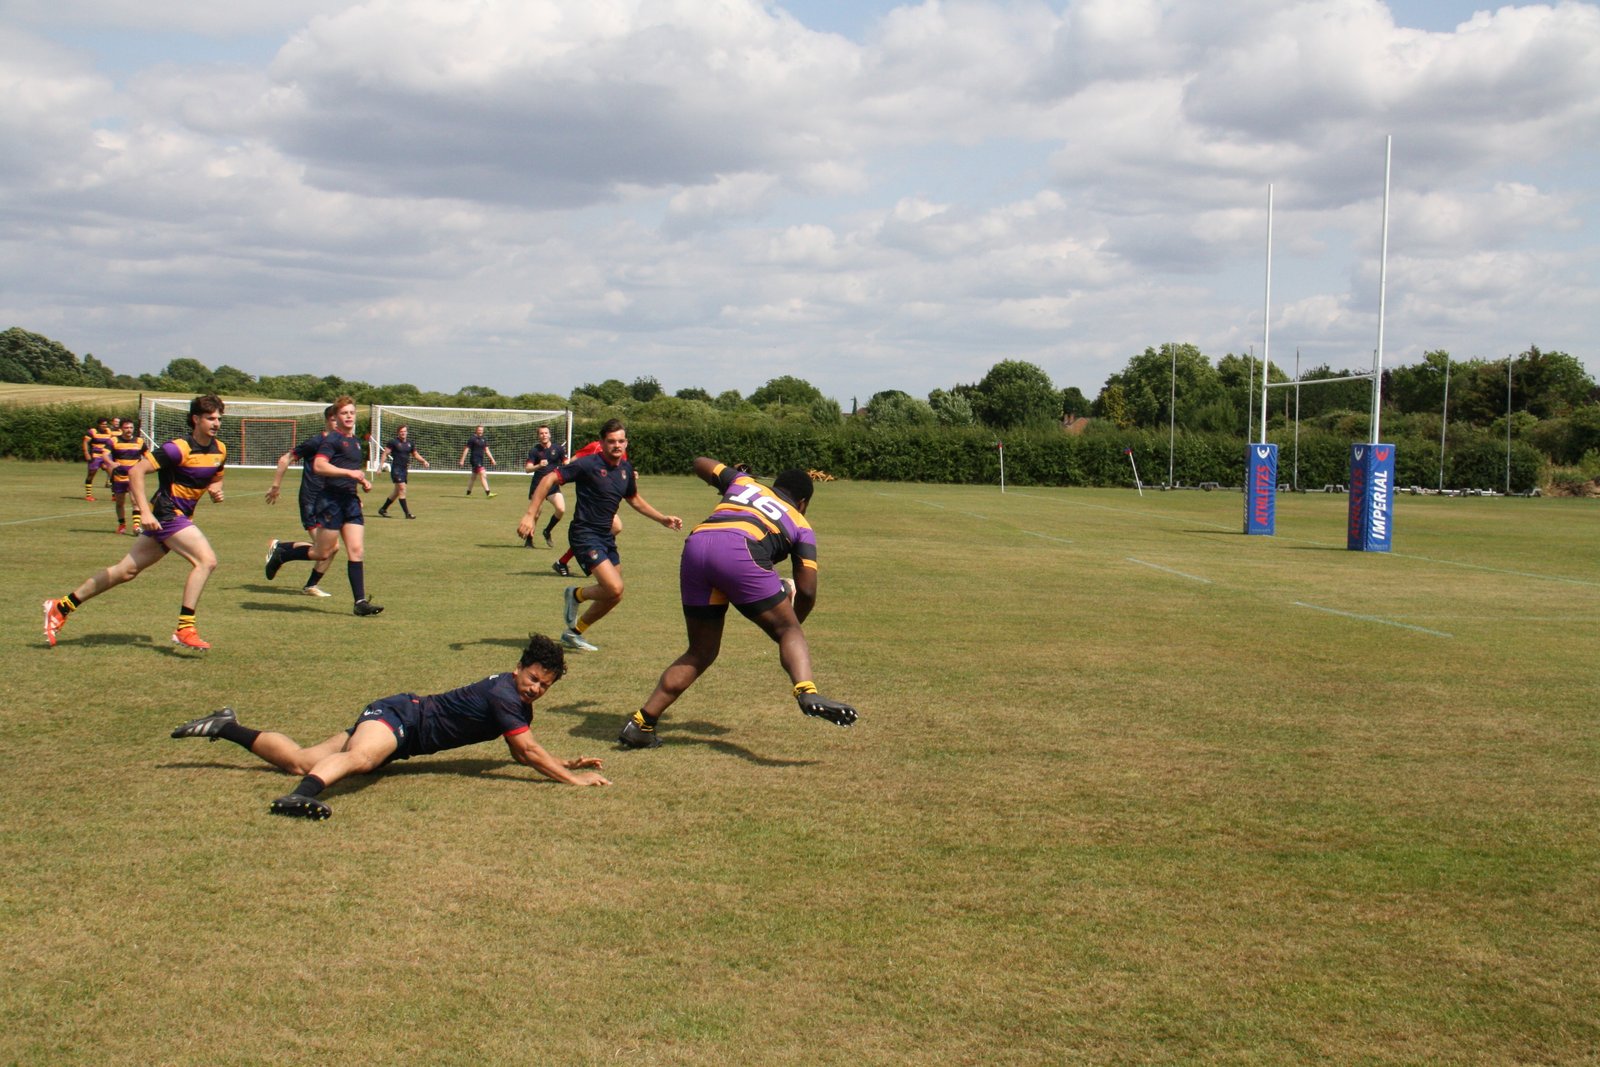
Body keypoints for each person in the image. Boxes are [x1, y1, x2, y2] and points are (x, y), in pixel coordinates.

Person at [169, 633, 610, 819]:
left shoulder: (515, 702)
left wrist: (563, 762)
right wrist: (571, 779)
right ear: (518, 669)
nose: (536, 688)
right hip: (401, 718)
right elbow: (527, 751)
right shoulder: (504, 696)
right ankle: (300, 797)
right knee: (361, 759)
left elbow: (522, 750)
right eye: (533, 678)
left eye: (545, 685)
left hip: (399, 721)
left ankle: (225, 726)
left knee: (301, 759)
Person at [618, 458, 857, 748]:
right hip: (740, 549)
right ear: (803, 503)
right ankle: (807, 691)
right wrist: (791, 627)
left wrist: (736, 474)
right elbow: (806, 591)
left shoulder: (743, 483)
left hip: (697, 546)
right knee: (789, 630)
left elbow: (699, 463)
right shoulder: (801, 523)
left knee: (700, 651)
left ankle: (641, 725)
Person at [44, 394, 228, 651]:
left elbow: (216, 477)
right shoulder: (176, 448)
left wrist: (216, 489)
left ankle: (62, 606)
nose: (216, 423)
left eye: (219, 418)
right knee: (206, 561)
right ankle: (185, 628)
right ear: (196, 419)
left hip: (179, 517)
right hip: (167, 514)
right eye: (210, 418)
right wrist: (144, 513)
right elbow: (136, 471)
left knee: (125, 571)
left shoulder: (220, 449)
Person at [518, 418, 681, 653]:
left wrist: (662, 518)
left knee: (615, 594)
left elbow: (634, 499)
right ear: (602, 443)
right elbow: (549, 478)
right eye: (611, 441)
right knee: (613, 587)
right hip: (584, 534)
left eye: (621, 441)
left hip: (605, 535)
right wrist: (530, 514)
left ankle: (573, 633)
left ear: (626, 443)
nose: (617, 445)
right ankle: (575, 595)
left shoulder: (625, 469)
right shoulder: (587, 464)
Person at [264, 397, 382, 615]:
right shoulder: (331, 440)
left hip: (350, 502)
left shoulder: (356, 442)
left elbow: (348, 470)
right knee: (322, 552)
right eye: (344, 413)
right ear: (335, 417)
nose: (349, 416)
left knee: (356, 550)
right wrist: (350, 473)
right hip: (331, 502)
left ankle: (360, 602)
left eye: (352, 412)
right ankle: (283, 554)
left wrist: (362, 482)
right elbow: (319, 465)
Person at [264, 405, 340, 597]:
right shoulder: (316, 442)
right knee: (327, 548)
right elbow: (285, 459)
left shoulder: (340, 445)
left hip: (328, 502)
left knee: (332, 548)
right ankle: (285, 555)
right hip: (311, 501)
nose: (337, 424)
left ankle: (284, 551)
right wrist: (275, 486)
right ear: (327, 421)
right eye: (333, 420)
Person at [522, 424, 567, 547]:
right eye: (541, 433)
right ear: (538, 436)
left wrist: (567, 465)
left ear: (549, 434)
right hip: (538, 485)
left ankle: (547, 531)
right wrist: (539, 465)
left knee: (561, 509)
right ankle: (529, 539)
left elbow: (566, 462)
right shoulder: (534, 450)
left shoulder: (558, 449)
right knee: (536, 514)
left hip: (552, 485)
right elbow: (527, 469)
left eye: (546, 433)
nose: (544, 435)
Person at [108, 420, 151, 534]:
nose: (129, 430)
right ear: (121, 429)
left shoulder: (139, 441)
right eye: (126, 428)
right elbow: (105, 454)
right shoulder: (114, 440)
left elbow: (148, 456)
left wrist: (150, 465)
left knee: (135, 501)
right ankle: (122, 525)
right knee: (119, 503)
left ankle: (136, 526)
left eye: (131, 428)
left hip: (134, 477)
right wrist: (110, 463)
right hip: (119, 477)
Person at [377, 424, 429, 518]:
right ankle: (407, 514)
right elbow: (385, 454)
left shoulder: (410, 443)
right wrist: (380, 467)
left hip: (404, 470)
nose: (403, 433)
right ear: (398, 433)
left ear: (407, 432)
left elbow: (415, 454)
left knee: (396, 492)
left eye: (404, 431)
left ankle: (383, 509)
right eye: (401, 431)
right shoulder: (393, 442)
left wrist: (424, 461)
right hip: (396, 469)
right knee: (402, 489)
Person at [81, 417, 114, 501]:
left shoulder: (109, 431)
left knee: (112, 474)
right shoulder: (93, 431)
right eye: (103, 424)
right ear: (99, 425)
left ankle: (114, 495)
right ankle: (88, 495)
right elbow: (85, 442)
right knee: (91, 474)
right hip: (95, 455)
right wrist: (86, 453)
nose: (104, 426)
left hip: (106, 455)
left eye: (106, 424)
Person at [459, 425, 496, 497]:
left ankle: (468, 493)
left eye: (481, 430)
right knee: (483, 474)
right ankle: (488, 493)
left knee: (473, 477)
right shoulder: (472, 439)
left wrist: (492, 459)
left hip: (480, 459)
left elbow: (487, 450)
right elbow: (466, 449)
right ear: (476, 430)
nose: (480, 431)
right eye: (479, 430)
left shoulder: (484, 439)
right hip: (474, 459)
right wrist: (462, 460)